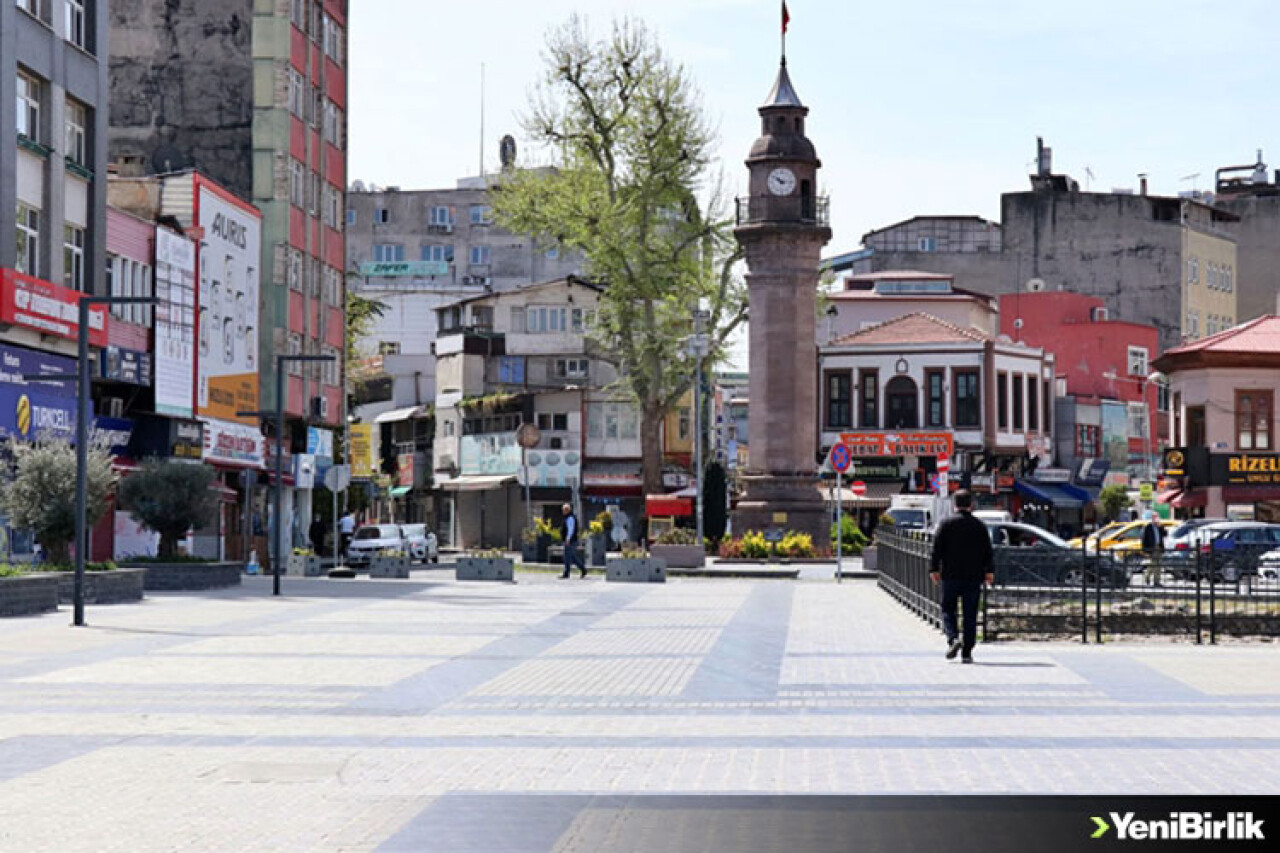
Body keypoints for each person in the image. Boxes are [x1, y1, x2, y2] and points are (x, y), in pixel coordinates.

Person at [930, 489, 994, 664]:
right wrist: (989, 571)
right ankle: (967, 651)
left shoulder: (946, 524)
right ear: (971, 505)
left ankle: (953, 638)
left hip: (950, 575)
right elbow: (988, 551)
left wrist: (934, 569)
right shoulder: (979, 526)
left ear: (954, 505)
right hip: (973, 576)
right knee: (970, 613)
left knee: (948, 609)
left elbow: (936, 549)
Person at [559, 503, 587, 579]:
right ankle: (583, 569)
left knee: (568, 557)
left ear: (567, 510)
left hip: (570, 541)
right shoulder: (567, 518)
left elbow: (570, 529)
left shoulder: (570, 518)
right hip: (569, 540)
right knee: (572, 557)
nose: (563, 511)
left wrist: (568, 538)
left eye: (564, 510)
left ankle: (567, 573)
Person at [1141, 514, 1163, 587]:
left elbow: (1164, 534)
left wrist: (1161, 526)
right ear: (1152, 519)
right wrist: (1145, 550)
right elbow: (1144, 539)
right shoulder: (1148, 527)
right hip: (1152, 548)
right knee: (1153, 564)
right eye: (1155, 518)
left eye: (1157, 518)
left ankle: (1157, 581)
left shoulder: (1159, 527)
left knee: (1158, 565)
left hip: (1159, 547)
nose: (1156, 519)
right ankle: (1147, 577)